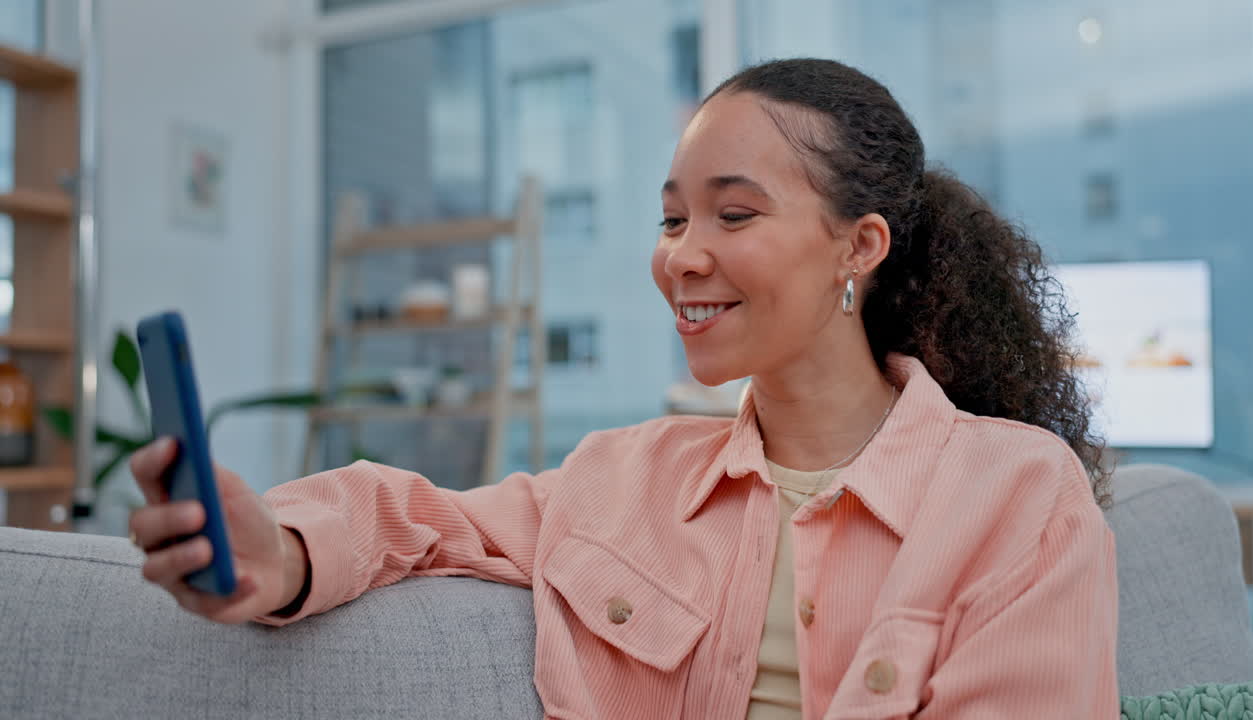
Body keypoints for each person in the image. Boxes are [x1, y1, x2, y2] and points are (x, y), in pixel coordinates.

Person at [128, 58, 1118, 718]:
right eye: (671, 220)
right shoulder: (620, 479)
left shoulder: (1019, 497)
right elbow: (414, 517)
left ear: (855, 248)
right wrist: (276, 551)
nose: (683, 258)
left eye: (732, 215)